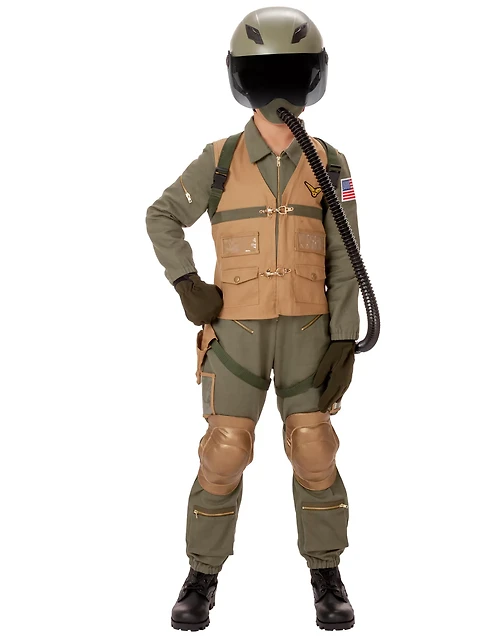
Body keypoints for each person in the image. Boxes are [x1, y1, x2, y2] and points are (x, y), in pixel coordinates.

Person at [146, 6, 361, 632]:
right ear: (243, 79)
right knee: (224, 452)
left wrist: (344, 338)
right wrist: (187, 284)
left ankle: (326, 573)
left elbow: (348, 256)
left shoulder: (331, 163)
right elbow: (161, 215)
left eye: (292, 73)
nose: (279, 90)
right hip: (236, 336)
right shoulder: (219, 160)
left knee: (315, 449)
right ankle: (201, 576)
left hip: (308, 337)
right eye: (268, 75)